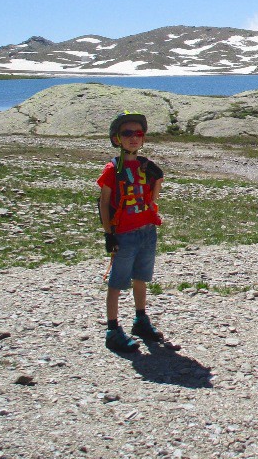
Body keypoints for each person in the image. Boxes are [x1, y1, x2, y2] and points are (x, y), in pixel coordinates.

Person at [97, 111, 165, 353]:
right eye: (127, 133)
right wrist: (109, 234)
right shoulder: (112, 169)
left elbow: (153, 198)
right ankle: (112, 329)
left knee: (141, 277)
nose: (134, 138)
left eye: (138, 133)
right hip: (124, 232)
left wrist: (158, 180)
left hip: (146, 230)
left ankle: (140, 319)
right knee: (117, 281)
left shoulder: (146, 166)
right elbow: (104, 202)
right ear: (117, 138)